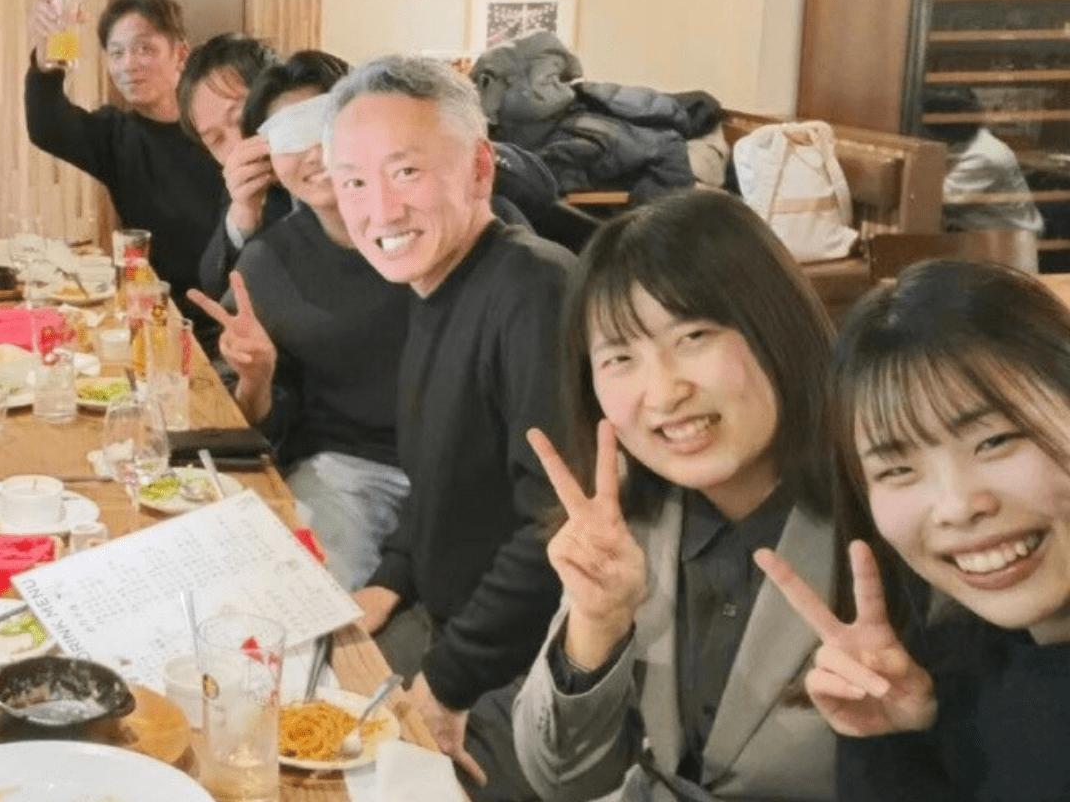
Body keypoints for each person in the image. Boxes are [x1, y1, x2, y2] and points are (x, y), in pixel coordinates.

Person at [511, 189, 842, 802]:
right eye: (619, 357)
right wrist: (596, 625)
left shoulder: (892, 523)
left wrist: (914, 730)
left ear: (778, 327)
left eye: (694, 336)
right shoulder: (628, 521)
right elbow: (560, 777)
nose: (663, 393)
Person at [326, 53, 572, 787]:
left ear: (479, 169)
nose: (380, 211)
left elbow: (558, 525)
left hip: (528, 667)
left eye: (406, 172)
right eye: (354, 182)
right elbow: (441, 481)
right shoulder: (436, 284)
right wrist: (391, 577)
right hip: (452, 627)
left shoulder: (532, 289)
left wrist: (446, 682)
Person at [755, 259, 1070, 801]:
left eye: (995, 441)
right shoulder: (951, 669)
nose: (956, 507)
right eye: (897, 470)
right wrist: (891, 744)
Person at [187, 50, 416, 588]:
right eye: (288, 135)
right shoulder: (269, 260)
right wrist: (257, 378)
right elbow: (263, 416)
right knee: (294, 588)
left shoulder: (427, 226)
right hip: (347, 472)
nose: (314, 152)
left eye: (323, 124)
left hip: (460, 466)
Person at [24, 0, 223, 312]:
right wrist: (49, 58)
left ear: (181, 54)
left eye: (145, 49)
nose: (128, 65)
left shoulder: (220, 127)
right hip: (158, 312)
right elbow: (48, 127)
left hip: (233, 314)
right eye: (116, 53)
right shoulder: (116, 135)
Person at [179, 33, 293, 300]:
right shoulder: (241, 183)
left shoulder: (334, 162)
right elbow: (214, 282)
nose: (237, 144)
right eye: (216, 140)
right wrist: (244, 212)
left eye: (240, 118)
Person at [920, 86, 1044, 234]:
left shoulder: (985, 155)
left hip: (1010, 238)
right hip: (977, 230)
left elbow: (935, 200)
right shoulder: (966, 142)